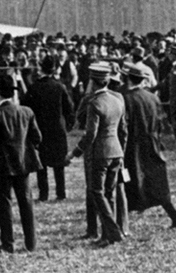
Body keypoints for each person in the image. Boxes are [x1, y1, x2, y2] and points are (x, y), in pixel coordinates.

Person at [66, 62, 127, 247]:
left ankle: (113, 232)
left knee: (96, 192)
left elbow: (90, 134)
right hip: (116, 151)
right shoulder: (118, 99)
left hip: (100, 153)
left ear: (93, 82)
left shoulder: (94, 103)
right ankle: (107, 235)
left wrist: (74, 153)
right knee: (108, 194)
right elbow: (123, 129)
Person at [120, 63, 176, 228]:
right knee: (156, 180)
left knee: (126, 180)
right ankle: (174, 216)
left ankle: (122, 221)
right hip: (151, 143)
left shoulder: (123, 98)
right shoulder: (152, 97)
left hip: (131, 146)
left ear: (126, 78)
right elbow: (161, 122)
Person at [0, 76, 42, 254]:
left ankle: (8, 244)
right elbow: (37, 138)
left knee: (3, 204)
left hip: (3, 166)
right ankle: (31, 243)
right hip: (23, 164)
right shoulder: (27, 112)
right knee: (26, 202)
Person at [23, 55, 74, 201]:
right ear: (54, 69)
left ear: (41, 68)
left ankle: (43, 194)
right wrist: (68, 125)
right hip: (57, 130)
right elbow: (69, 109)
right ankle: (61, 193)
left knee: (42, 165)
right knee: (59, 165)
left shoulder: (34, 87)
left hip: (39, 129)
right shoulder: (60, 87)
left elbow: (26, 108)